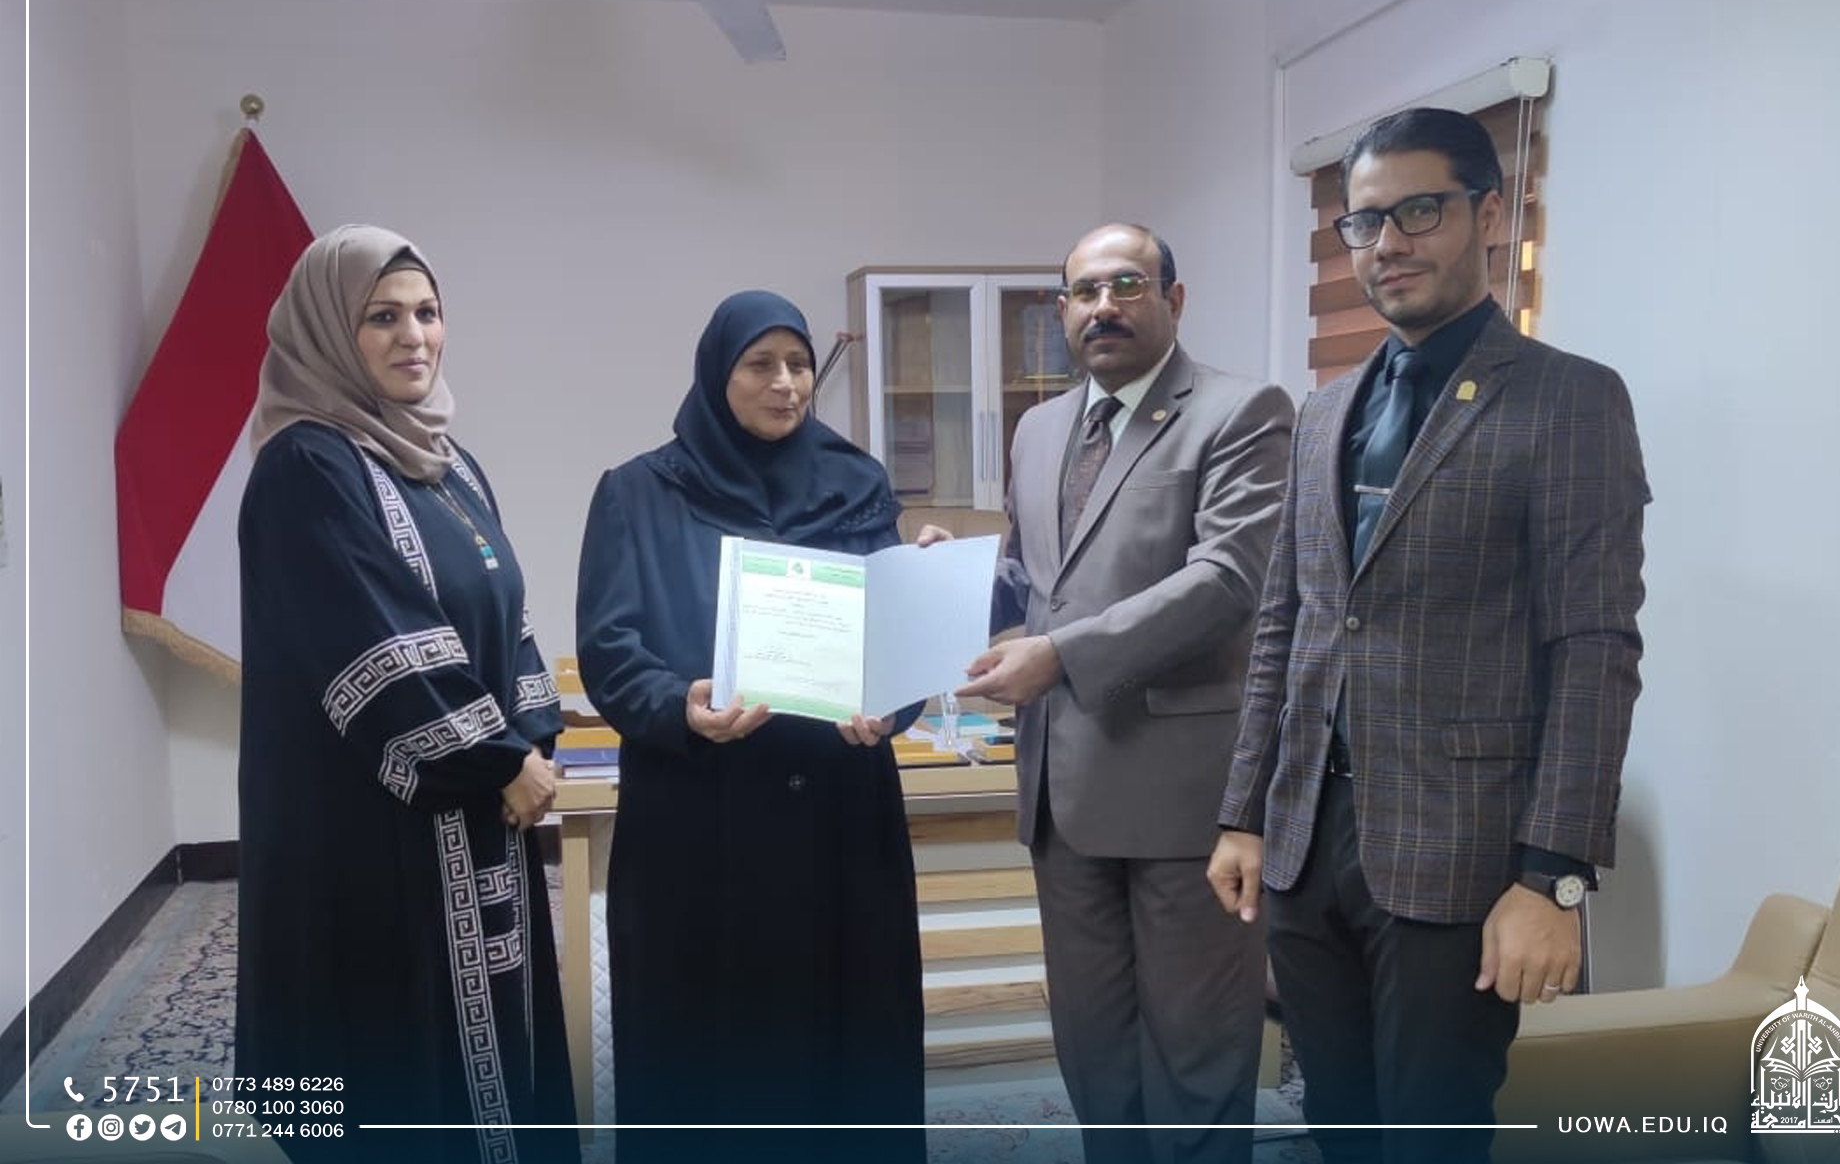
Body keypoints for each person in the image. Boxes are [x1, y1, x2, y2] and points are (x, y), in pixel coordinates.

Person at [1208, 108, 1651, 1164]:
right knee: (1339, 1119)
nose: (1387, 244)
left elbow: (1595, 649)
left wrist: (1552, 880)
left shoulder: (1569, 399)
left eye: (1418, 212)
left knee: (1429, 1131)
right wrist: (1244, 813)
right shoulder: (1325, 412)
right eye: (1365, 222)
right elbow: (1287, 624)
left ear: (1488, 214)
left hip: (1459, 857)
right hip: (1308, 842)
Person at [947, 224, 1294, 1164]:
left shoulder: (1242, 410)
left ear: (1173, 300)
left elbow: (1228, 580)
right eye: (1084, 291)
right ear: (1062, 311)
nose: (1104, 306)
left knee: (1195, 1059)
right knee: (1095, 1055)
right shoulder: (1040, 428)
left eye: (1127, 285)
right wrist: (959, 577)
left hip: (1185, 803)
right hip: (1061, 798)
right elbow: (1036, 579)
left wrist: (1058, 657)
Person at [235, 224, 576, 1164]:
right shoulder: (306, 467)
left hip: (480, 809)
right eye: (382, 317)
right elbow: (373, 643)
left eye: (428, 312)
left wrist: (531, 742)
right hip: (367, 834)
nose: (414, 336)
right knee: (399, 1063)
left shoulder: (448, 464)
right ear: (327, 332)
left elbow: (506, 614)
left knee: (495, 1050)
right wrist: (500, 762)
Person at [575, 291, 924, 1160]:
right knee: (711, 1054)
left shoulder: (858, 481)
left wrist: (893, 700)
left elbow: (895, 639)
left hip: (839, 818)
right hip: (703, 822)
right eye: (760, 365)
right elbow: (610, 651)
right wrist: (679, 706)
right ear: (715, 374)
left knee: (848, 1043)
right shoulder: (638, 492)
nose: (787, 383)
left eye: (799, 364)